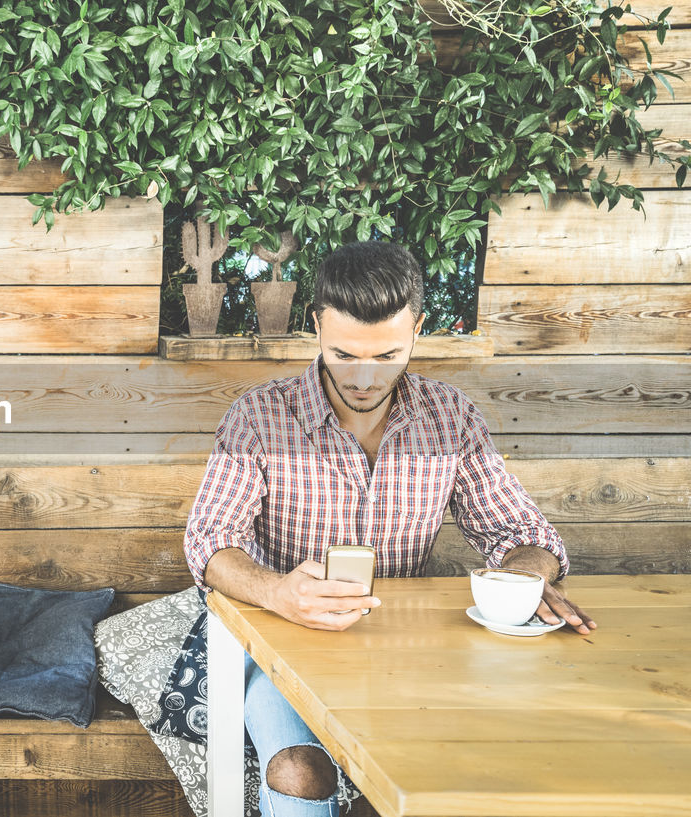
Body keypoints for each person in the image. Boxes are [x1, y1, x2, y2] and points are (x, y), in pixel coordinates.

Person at [183, 241, 597, 816]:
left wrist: (525, 577)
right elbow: (210, 544)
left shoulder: (451, 418)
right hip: (283, 643)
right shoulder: (258, 416)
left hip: (407, 649)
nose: (362, 377)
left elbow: (522, 530)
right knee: (300, 770)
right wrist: (277, 591)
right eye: (344, 353)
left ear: (418, 330)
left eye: (386, 356)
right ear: (315, 326)